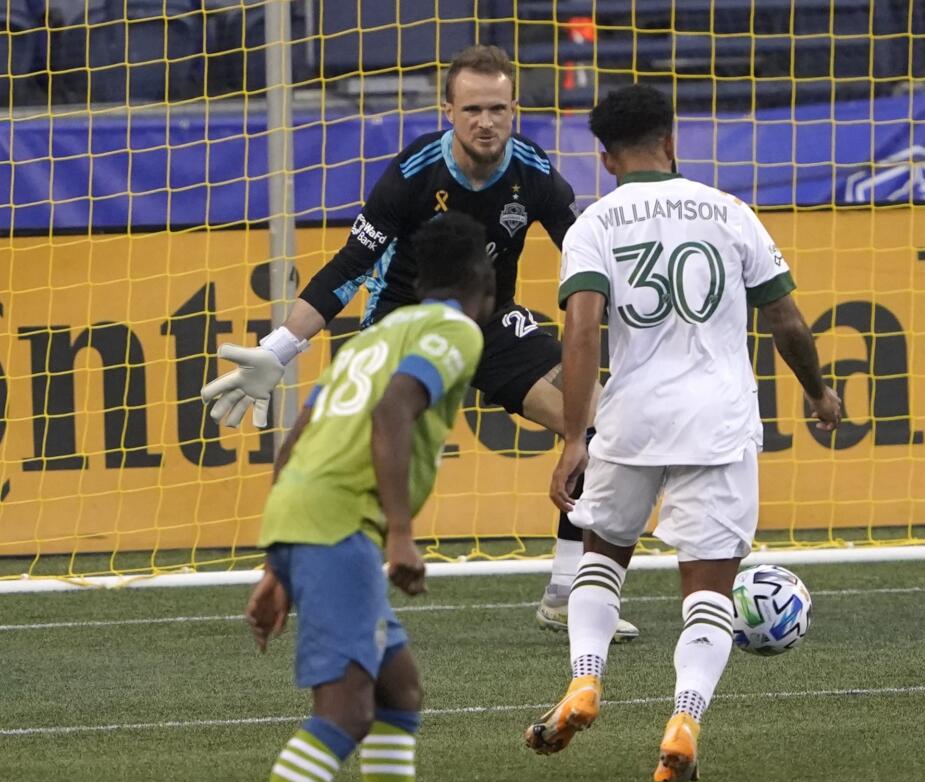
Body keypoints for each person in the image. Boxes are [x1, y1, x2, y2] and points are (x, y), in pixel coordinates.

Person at [202, 44, 638, 642]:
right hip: (403, 323)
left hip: (486, 321)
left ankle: (568, 593)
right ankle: (289, 574)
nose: (486, 121)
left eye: (498, 109)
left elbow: (589, 256)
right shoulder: (413, 173)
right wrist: (279, 349)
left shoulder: (533, 174)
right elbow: (349, 266)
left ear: (515, 110)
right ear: (448, 111)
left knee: (601, 421)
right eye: (472, 109)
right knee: (340, 454)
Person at [523, 84, 842, 782]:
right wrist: (818, 390)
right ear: (672, 143)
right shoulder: (729, 213)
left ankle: (585, 679)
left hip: (633, 417)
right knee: (708, 587)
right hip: (719, 422)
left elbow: (580, 330)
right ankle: (685, 719)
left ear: (604, 159)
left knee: (602, 556)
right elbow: (786, 322)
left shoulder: (595, 224)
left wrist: (575, 434)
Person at [244, 211, 495, 782]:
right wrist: (401, 537)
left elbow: (300, 432)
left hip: (302, 510)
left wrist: (278, 568)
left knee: (398, 690)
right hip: (340, 524)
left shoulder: (375, 334)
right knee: (346, 711)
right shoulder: (458, 331)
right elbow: (392, 412)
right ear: (484, 281)